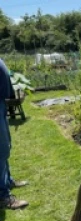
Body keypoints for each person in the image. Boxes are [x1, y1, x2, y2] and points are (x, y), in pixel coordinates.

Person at [0, 59, 29, 210]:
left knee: (5, 147)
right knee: (0, 150)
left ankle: (7, 181)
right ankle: (2, 196)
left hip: (1, 103)